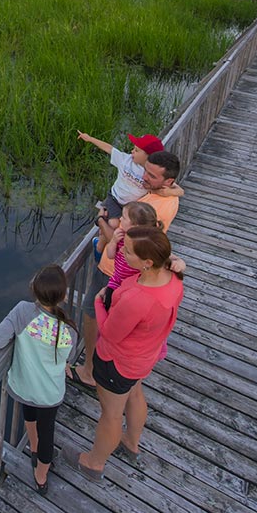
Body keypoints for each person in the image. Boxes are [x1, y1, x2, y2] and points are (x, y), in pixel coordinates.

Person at [61, 226, 183, 479]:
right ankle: (131, 443)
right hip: (144, 356)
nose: (123, 255)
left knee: (111, 414)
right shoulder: (173, 280)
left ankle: (93, 464)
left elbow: (110, 331)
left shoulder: (139, 298)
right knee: (135, 394)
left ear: (148, 262)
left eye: (128, 252)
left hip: (118, 362)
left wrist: (98, 301)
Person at [72, 149, 183, 389]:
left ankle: (90, 370)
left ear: (168, 181)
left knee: (92, 311)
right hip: (123, 272)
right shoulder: (162, 195)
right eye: (146, 171)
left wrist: (102, 222)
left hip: (114, 273)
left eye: (152, 176)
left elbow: (129, 244)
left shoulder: (160, 207)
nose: (145, 178)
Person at [0, 265, 75, 496]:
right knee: (48, 431)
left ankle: (34, 448)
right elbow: (65, 357)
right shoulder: (69, 331)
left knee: (30, 413)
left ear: (34, 291)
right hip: (50, 394)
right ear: (64, 296)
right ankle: (41, 475)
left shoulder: (22, 312)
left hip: (24, 386)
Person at [77, 130, 165, 245]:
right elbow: (109, 149)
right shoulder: (126, 160)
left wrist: (178, 191)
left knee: (126, 230)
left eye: (137, 150)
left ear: (149, 157)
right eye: (133, 148)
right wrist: (89, 138)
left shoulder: (151, 172)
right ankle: (103, 247)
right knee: (114, 224)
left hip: (131, 206)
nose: (132, 151)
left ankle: (104, 244)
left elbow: (166, 184)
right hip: (115, 199)